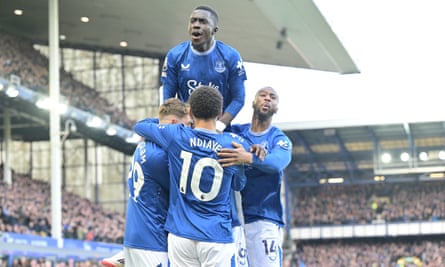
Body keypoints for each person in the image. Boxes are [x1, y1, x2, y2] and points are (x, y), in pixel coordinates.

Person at [134, 86, 261, 266]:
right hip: (216, 236)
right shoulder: (233, 143)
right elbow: (239, 185)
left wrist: (166, 120)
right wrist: (248, 157)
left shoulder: (176, 135)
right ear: (219, 113)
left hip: (181, 235)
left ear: (191, 112)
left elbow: (140, 126)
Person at [100, 99, 192, 267]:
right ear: (172, 123)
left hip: (137, 235)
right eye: (185, 125)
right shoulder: (161, 158)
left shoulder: (144, 144)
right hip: (152, 241)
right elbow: (183, 193)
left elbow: (145, 124)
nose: (187, 131)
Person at [217, 86, 293, 267]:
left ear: (276, 108)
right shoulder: (235, 132)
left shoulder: (278, 139)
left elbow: (276, 164)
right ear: (253, 102)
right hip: (232, 221)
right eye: (263, 95)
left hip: (263, 220)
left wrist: (248, 158)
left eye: (273, 97)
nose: (267, 99)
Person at [161, 5, 247, 132]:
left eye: (203, 21)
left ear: (214, 30)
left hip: (219, 131)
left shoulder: (231, 56)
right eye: (193, 21)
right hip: (187, 129)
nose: (196, 25)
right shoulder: (175, 55)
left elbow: (238, 98)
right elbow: (168, 100)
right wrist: (179, 123)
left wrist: (219, 126)